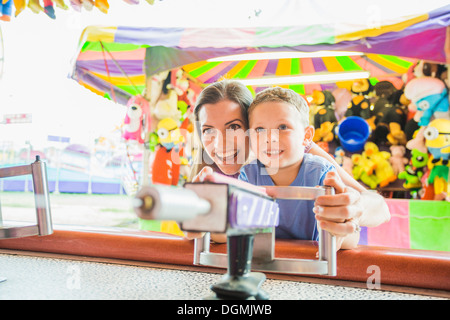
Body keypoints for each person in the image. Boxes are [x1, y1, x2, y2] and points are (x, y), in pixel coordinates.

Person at [189, 80, 390, 248]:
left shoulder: (306, 155)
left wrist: (351, 210)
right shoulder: (212, 172)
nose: (221, 143)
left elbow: (380, 208)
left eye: (234, 127)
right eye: (208, 130)